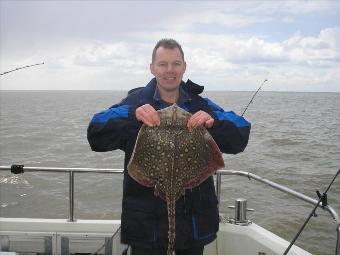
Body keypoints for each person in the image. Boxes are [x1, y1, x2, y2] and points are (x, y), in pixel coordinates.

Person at [87, 39, 251, 255]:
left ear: (184, 67)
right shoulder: (134, 103)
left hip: (193, 224)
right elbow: (95, 134)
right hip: (146, 226)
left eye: (176, 64)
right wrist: (131, 116)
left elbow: (241, 132)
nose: (169, 70)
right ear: (152, 68)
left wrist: (214, 121)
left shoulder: (201, 105)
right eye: (163, 64)